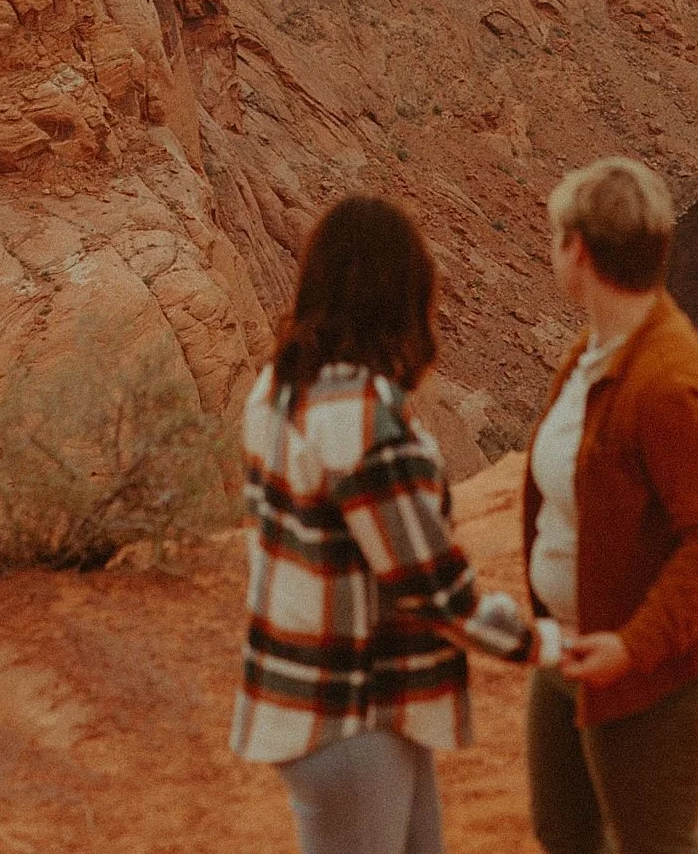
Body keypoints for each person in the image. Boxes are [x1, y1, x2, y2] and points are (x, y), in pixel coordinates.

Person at [232, 193, 549, 854]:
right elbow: (432, 589)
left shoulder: (276, 391)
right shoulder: (365, 420)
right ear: (403, 299)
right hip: (353, 716)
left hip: (310, 704)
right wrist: (539, 644)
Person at [524, 158, 698, 854]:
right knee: (564, 837)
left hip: (656, 676)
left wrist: (632, 647)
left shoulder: (672, 382)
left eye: (556, 238)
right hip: (569, 654)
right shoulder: (593, 355)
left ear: (580, 251)